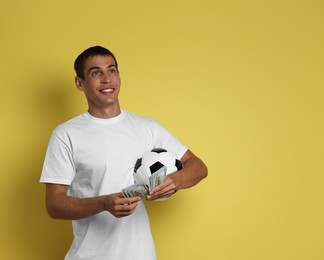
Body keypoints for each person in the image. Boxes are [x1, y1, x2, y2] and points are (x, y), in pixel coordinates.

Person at [40, 46, 208, 260]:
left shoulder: (147, 127)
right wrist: (103, 203)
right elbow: (54, 205)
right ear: (79, 83)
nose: (106, 78)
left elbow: (199, 167)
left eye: (112, 70)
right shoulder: (66, 134)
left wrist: (175, 180)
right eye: (96, 72)